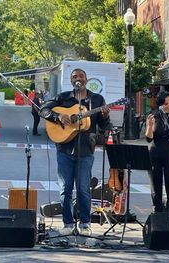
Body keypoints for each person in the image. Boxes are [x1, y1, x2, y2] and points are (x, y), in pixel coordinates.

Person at [41, 68, 110, 235]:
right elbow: (43, 109)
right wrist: (58, 117)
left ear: (86, 79)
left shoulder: (97, 100)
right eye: (74, 77)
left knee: (83, 188)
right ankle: (68, 224)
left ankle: (85, 224)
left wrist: (106, 116)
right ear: (71, 81)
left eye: (81, 76)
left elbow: (103, 126)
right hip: (64, 148)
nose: (78, 78)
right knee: (65, 188)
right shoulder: (63, 98)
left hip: (86, 149)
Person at [145, 91, 169, 213]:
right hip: (155, 154)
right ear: (160, 104)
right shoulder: (153, 116)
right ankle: (158, 212)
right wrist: (150, 126)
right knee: (156, 187)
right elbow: (148, 138)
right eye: (166, 103)